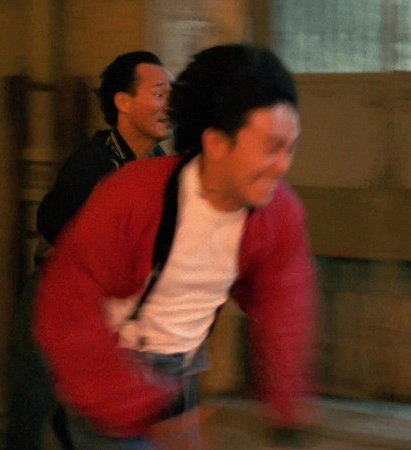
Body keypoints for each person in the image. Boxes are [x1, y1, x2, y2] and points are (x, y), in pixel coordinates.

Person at [34, 44, 319, 449]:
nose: (283, 165)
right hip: (110, 371)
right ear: (216, 143)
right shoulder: (133, 197)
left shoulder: (278, 213)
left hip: (179, 377)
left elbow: (286, 302)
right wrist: (138, 403)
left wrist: (287, 405)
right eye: (271, 146)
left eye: (290, 147)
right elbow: (67, 304)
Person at [2, 50, 173, 450]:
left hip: (114, 308)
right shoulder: (91, 164)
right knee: (30, 413)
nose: (170, 104)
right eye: (159, 93)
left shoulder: (160, 165)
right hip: (57, 297)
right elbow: (50, 221)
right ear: (123, 102)